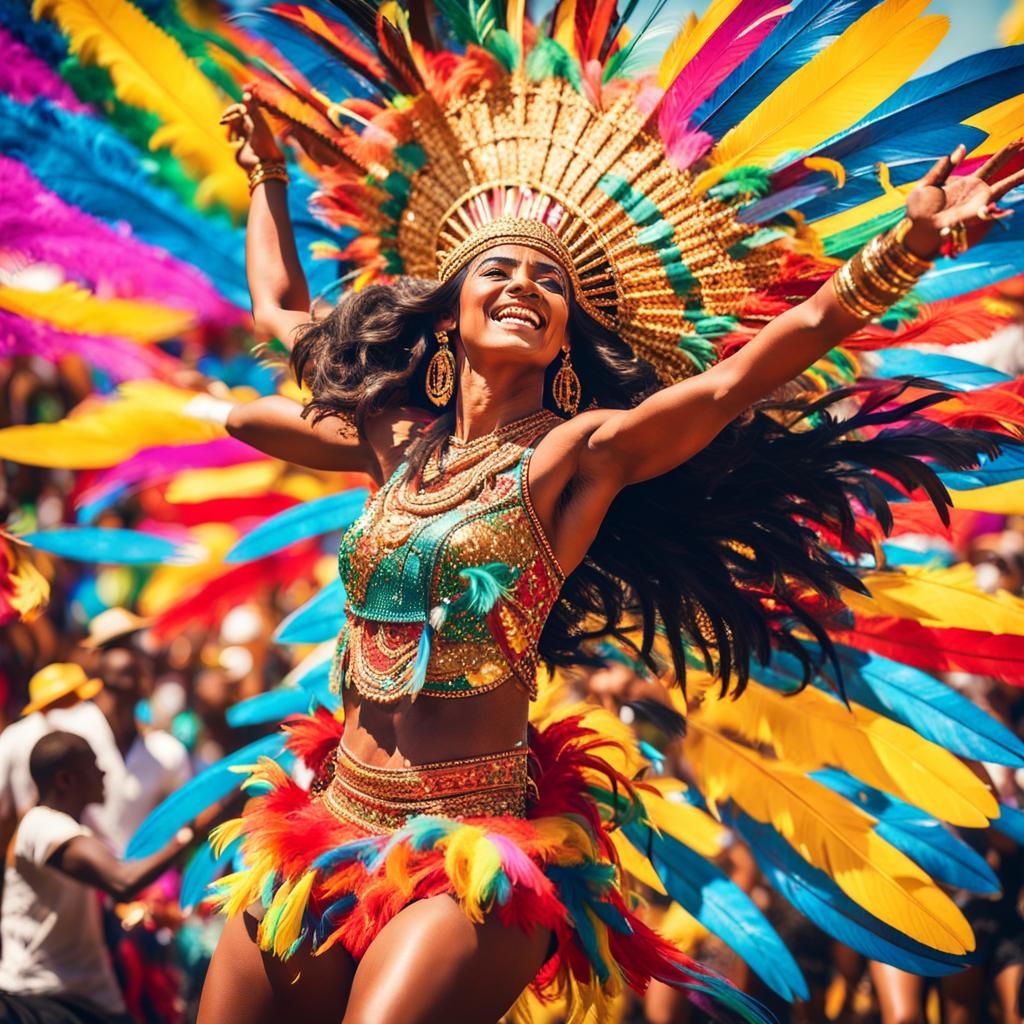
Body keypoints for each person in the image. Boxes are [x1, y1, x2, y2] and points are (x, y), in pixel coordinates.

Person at [178, 40, 1024, 1018]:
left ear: (567, 343)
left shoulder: (574, 455)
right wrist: (268, 179)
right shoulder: (394, 437)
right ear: (449, 312)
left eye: (550, 286)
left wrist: (902, 250)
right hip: (326, 816)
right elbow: (286, 320)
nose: (524, 287)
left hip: (469, 856)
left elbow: (731, 380)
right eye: (497, 267)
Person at [0, 731, 192, 1024]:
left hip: (85, 997)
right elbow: (122, 881)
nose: (103, 773)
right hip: (43, 999)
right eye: (93, 765)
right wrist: (189, 833)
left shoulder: (71, 829)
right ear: (66, 780)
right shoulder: (42, 825)